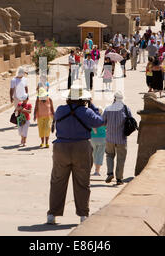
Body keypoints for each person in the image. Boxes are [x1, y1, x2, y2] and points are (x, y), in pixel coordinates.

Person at [46, 85, 104, 225]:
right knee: (82, 183)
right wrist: (92, 105)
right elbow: (99, 121)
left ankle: (52, 214)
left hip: (61, 147)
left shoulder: (60, 110)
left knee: (57, 182)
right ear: (83, 98)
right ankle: (83, 214)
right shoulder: (87, 111)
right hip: (81, 147)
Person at [103, 91, 132, 186]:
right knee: (121, 158)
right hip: (121, 138)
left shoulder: (107, 109)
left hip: (110, 137)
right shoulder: (126, 108)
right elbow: (130, 120)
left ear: (114, 98)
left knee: (109, 155)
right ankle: (119, 179)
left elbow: (103, 122)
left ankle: (110, 173)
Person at [90, 108, 106, 177]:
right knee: (100, 155)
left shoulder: (92, 119)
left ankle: (95, 170)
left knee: (94, 154)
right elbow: (106, 128)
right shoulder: (103, 120)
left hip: (93, 138)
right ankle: (97, 171)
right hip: (102, 138)